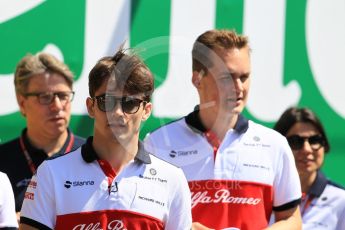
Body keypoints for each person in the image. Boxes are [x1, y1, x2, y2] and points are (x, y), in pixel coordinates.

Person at [144, 29, 302, 229]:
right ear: (197, 79)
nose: (238, 87)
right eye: (227, 77)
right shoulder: (158, 144)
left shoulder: (274, 144)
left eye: (244, 77)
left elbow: (292, 220)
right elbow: (146, 219)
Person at [19, 48, 192, 229]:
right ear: (91, 106)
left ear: (146, 111)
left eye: (130, 103)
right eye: (107, 101)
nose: (117, 112)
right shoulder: (51, 173)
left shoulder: (172, 179)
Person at [0, 52, 85, 219]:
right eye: (45, 97)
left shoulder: (92, 155)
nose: (57, 106)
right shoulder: (2, 161)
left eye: (63, 96)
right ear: (22, 103)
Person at [274, 107, 345, 229]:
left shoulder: (341, 200)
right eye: (296, 141)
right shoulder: (263, 196)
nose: (307, 149)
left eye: (314, 140)